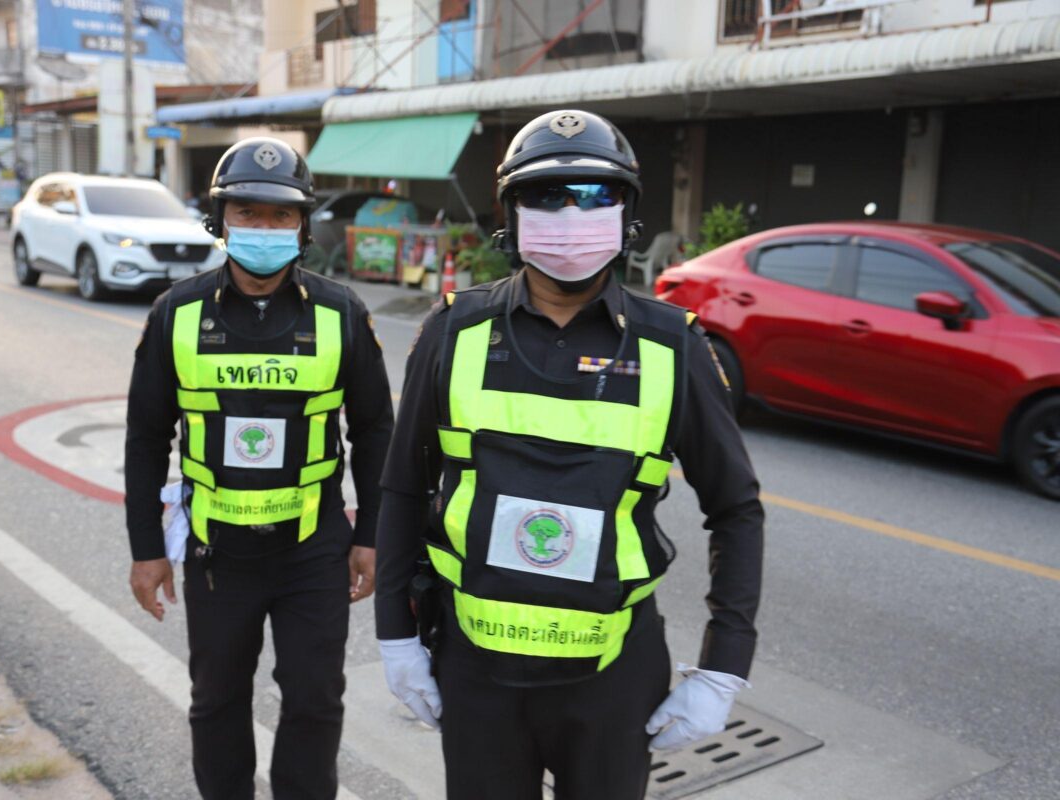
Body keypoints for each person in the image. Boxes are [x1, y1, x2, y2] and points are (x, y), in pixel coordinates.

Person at [374, 109, 764, 800]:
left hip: (611, 676)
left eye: (592, 196)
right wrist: (395, 638)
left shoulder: (671, 346)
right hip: (477, 667)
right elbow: (404, 488)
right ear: (512, 215)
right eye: (545, 197)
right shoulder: (454, 331)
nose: (570, 214)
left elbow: (735, 509)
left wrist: (723, 666)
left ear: (626, 214)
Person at [124, 137, 393, 800]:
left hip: (313, 550)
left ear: (303, 225)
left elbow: (377, 430)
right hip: (218, 553)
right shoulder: (176, 314)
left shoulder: (341, 313)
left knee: (314, 702)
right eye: (248, 212)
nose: (264, 229)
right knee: (216, 702)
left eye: (281, 216)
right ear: (221, 221)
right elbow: (146, 436)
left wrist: (371, 536)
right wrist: (147, 549)